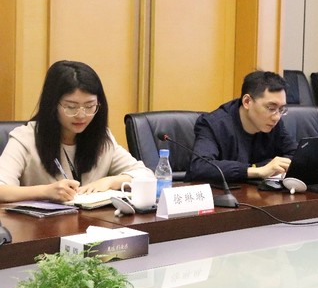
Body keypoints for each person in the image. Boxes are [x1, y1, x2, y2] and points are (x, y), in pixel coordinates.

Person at [0, 60, 153, 203]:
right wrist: (46, 191)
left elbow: (146, 175)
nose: (81, 115)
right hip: (42, 223)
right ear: (52, 105)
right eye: (71, 107)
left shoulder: (102, 138)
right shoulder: (25, 138)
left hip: (92, 222)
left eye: (90, 106)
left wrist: (110, 181)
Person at [187, 71, 297, 183]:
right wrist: (257, 171)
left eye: (281, 109)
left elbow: (296, 156)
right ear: (247, 102)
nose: (277, 117)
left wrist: (263, 167)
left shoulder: (274, 123)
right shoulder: (213, 124)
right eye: (271, 108)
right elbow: (200, 167)